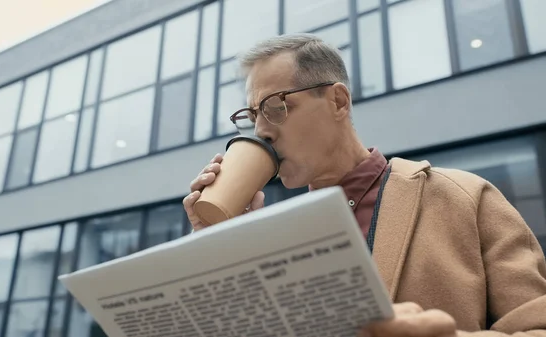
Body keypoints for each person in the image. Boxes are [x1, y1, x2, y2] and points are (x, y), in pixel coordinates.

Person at [183, 34, 546, 336]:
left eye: (274, 106)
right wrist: (219, 247)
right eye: (251, 115)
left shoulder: (464, 196)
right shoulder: (269, 237)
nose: (261, 130)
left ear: (338, 101)